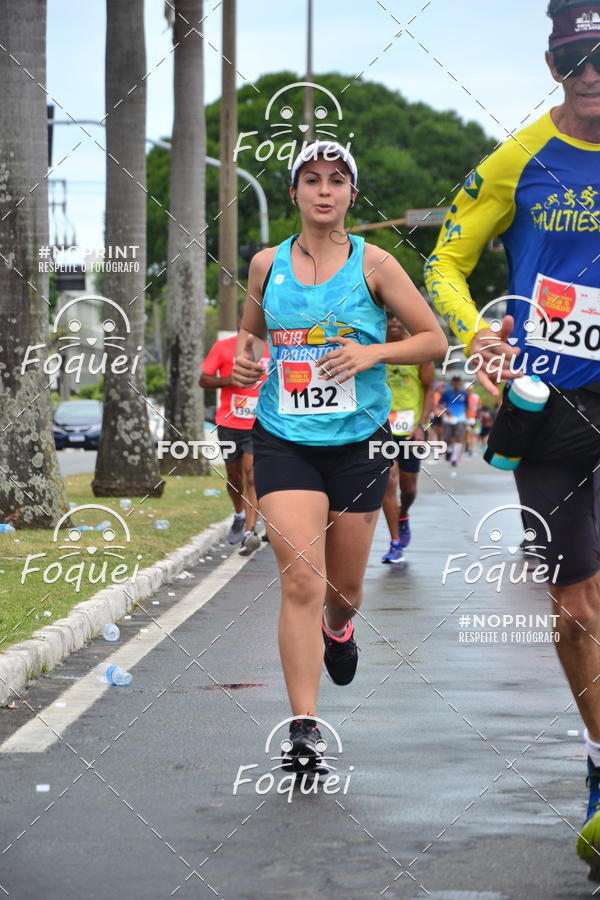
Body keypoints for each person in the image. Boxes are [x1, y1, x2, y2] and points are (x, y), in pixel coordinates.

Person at [425, 0, 600, 877]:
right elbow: (445, 262)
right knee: (573, 610)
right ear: (553, 64)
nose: (594, 75)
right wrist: (476, 331)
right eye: (578, 60)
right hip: (549, 405)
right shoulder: (518, 159)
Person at [232, 140, 446, 771]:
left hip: (359, 442)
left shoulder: (375, 264)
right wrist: (247, 358)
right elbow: (251, 335)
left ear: (352, 194)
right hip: (283, 438)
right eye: (311, 180)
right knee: (301, 577)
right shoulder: (266, 265)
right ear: (294, 193)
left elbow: (433, 337)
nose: (324, 191)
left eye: (336, 181)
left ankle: (339, 628)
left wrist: (372, 352)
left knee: (342, 589)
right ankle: (304, 726)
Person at [200, 318, 269, 556]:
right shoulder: (224, 347)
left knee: (252, 476)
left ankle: (250, 532)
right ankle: (239, 515)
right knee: (234, 477)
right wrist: (228, 379)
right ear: (242, 322)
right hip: (229, 422)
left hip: (259, 423)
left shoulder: (275, 349)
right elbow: (203, 379)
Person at [381, 312, 435, 563]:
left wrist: (421, 426)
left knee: (409, 488)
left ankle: (404, 513)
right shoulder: (376, 347)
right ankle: (394, 543)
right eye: (388, 318)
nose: (393, 322)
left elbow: (428, 389)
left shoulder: (417, 349)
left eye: (397, 318)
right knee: (388, 482)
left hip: (410, 429)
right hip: (383, 429)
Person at [439, 375, 470, 473]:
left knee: (459, 438)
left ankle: (454, 458)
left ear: (460, 383)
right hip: (448, 419)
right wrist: (445, 409)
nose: (456, 384)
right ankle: (449, 450)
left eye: (458, 382)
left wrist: (467, 418)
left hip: (460, 419)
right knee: (447, 438)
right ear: (452, 383)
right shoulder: (447, 393)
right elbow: (440, 403)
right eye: (454, 382)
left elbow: (467, 406)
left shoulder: (464, 393)